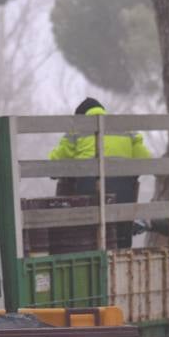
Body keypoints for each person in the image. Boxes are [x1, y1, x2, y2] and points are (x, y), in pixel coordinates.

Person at [48, 97, 152, 247]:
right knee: (120, 243)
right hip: (123, 199)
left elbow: (53, 166)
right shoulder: (126, 128)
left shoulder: (76, 129)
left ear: (80, 117)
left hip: (88, 200)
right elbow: (145, 160)